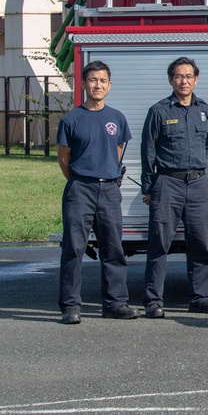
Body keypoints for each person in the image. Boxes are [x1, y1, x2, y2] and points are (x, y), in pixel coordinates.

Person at [140, 57, 208, 319]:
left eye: (189, 76)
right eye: (178, 76)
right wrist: (149, 186)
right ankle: (154, 300)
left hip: (198, 183)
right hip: (168, 183)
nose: (184, 80)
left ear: (196, 79)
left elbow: (206, 147)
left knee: (199, 242)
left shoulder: (205, 110)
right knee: (159, 244)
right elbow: (148, 151)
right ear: (170, 80)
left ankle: (201, 297)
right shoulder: (159, 111)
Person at [56, 60, 137, 324]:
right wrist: (82, 180)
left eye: (102, 81)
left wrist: (105, 178)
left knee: (113, 249)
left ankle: (115, 303)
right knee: (74, 249)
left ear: (109, 85)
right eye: (92, 80)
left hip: (109, 190)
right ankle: (70, 306)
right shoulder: (71, 119)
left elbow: (116, 153)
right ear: (83, 84)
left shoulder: (117, 118)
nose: (97, 85)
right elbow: (63, 159)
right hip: (80, 189)